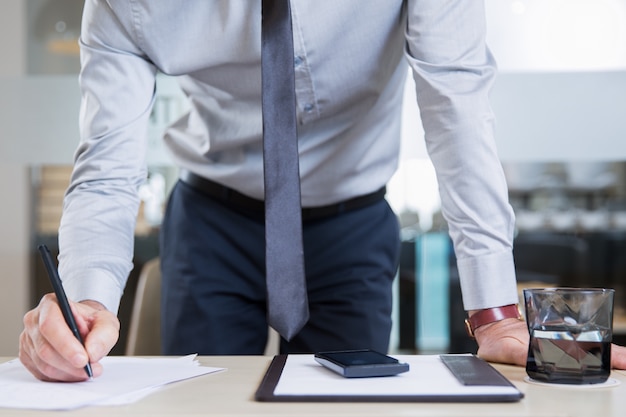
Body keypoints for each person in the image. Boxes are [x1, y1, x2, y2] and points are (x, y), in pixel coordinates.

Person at [19, 1, 626, 382]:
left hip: (351, 221)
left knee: (349, 400)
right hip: (212, 219)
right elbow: (106, 164)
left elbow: (458, 113)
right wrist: (88, 301)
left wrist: (493, 310)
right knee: (201, 396)